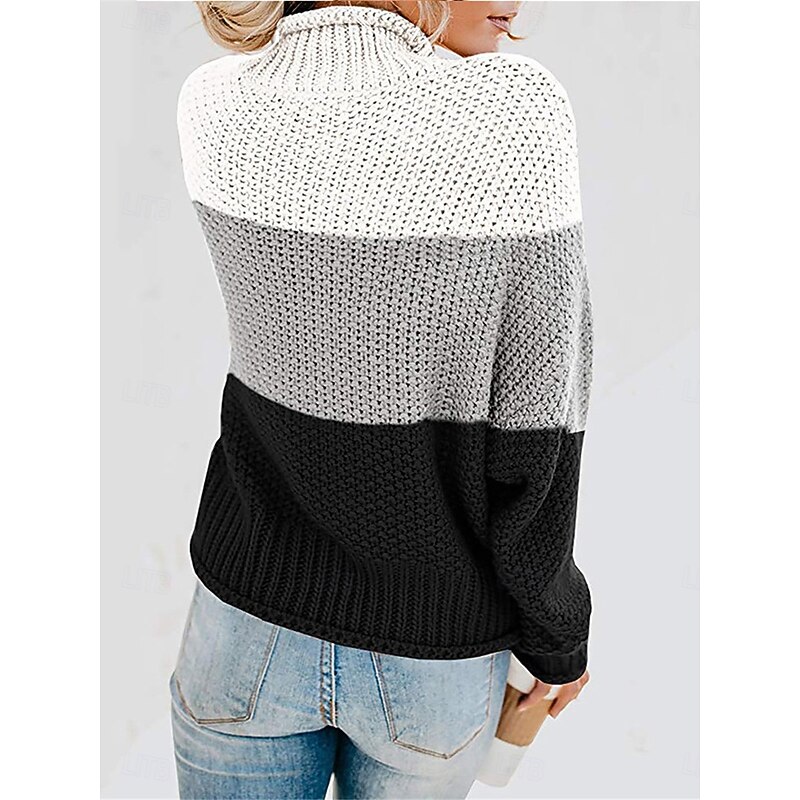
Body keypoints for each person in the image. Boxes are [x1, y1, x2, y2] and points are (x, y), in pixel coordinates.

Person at [169, 1, 594, 797]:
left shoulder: (212, 100)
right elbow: (538, 429)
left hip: (241, 628)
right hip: (431, 656)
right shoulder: (517, 111)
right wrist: (556, 632)